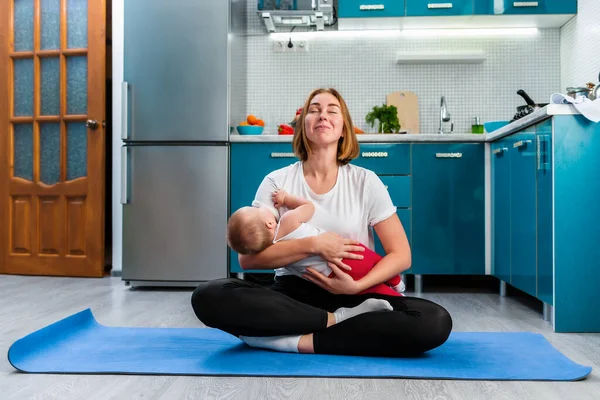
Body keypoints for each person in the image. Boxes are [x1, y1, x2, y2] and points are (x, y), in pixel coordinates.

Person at [191, 88, 452, 357]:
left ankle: (288, 340)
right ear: (303, 125)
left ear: (343, 129)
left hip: (355, 291)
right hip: (294, 294)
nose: (322, 115)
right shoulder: (276, 182)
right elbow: (248, 261)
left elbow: (401, 255)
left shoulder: (366, 181)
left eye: (332, 110)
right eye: (314, 110)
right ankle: (331, 322)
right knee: (208, 296)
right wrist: (315, 245)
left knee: (434, 321)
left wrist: (356, 287)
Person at [226, 188, 404, 296]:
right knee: (374, 262)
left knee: (372, 290)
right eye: (256, 209)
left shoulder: (274, 252)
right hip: (349, 255)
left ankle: (394, 298)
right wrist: (287, 199)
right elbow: (308, 207)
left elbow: (249, 258)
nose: (260, 207)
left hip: (332, 276)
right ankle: (395, 282)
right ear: (270, 223)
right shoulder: (287, 221)